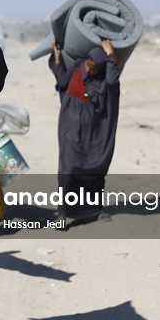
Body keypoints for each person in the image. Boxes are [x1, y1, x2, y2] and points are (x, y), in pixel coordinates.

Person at [49, 38, 121, 226]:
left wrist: (110, 54)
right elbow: (63, 80)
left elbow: (113, 79)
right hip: (69, 129)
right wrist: (57, 59)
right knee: (68, 168)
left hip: (93, 135)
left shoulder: (104, 84)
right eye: (88, 66)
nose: (88, 70)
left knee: (94, 168)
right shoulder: (79, 67)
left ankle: (95, 210)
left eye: (93, 69)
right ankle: (63, 214)